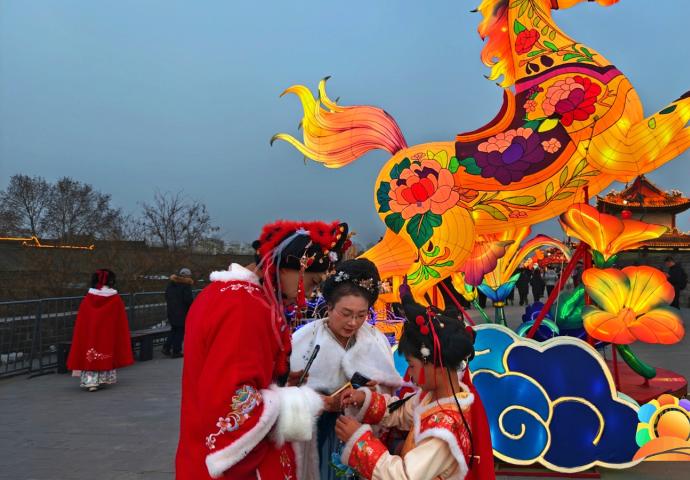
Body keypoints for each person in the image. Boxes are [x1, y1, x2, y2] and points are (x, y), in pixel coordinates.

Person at [175, 220, 351, 480]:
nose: (308, 295)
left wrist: (278, 383)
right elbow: (234, 399)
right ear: (290, 266)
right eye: (312, 282)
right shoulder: (245, 306)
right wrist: (306, 402)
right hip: (237, 469)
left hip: (197, 448)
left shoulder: (221, 293)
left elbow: (223, 376)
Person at [333, 286, 495, 479]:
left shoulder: (444, 431)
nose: (409, 374)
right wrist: (364, 400)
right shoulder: (437, 398)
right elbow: (401, 411)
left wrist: (359, 441)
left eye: (411, 365)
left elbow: (405, 476)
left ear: (434, 364)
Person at [291, 258, 402, 480]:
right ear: (329, 307)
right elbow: (284, 394)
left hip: (361, 436)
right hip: (315, 437)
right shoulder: (304, 340)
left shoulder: (376, 341)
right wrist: (322, 403)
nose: (353, 322)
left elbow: (390, 396)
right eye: (346, 313)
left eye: (361, 315)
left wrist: (371, 394)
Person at [67, 269, 134, 391]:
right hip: (107, 333)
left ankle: (90, 382)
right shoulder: (115, 299)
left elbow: (82, 319)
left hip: (90, 333)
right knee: (105, 352)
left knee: (90, 354)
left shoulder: (88, 298)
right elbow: (120, 320)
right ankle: (103, 378)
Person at [163, 268, 194, 358]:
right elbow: (188, 299)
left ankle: (166, 348)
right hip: (182, 312)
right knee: (180, 331)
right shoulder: (186, 285)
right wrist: (193, 306)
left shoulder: (171, 284)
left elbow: (166, 295)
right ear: (187, 276)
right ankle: (176, 351)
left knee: (174, 329)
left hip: (171, 310)